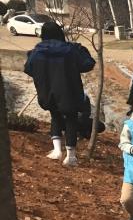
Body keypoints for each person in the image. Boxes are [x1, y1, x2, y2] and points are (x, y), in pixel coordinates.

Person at [24, 21, 96, 166]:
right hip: (69, 91)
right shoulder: (70, 50)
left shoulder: (37, 51)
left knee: (55, 116)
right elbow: (88, 64)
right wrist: (80, 51)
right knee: (71, 119)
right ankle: (71, 156)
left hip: (47, 91)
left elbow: (28, 69)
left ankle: (57, 151)